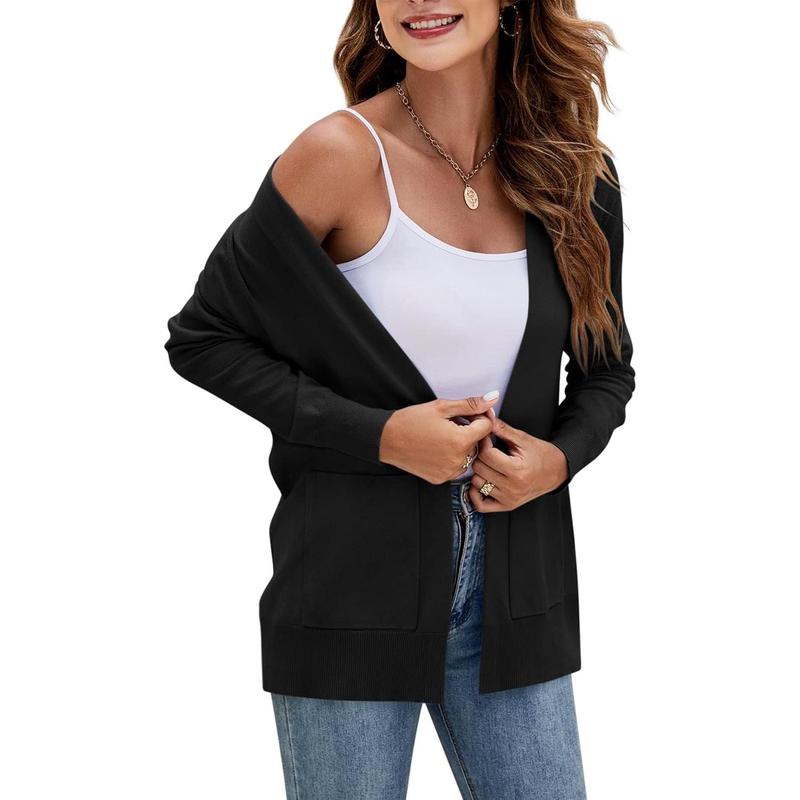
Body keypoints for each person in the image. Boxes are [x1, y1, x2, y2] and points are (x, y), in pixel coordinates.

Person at [165, 1, 635, 797]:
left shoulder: (575, 173)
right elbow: (203, 337)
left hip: (517, 594)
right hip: (348, 588)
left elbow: (606, 369)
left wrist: (558, 461)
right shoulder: (340, 154)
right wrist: (379, 435)